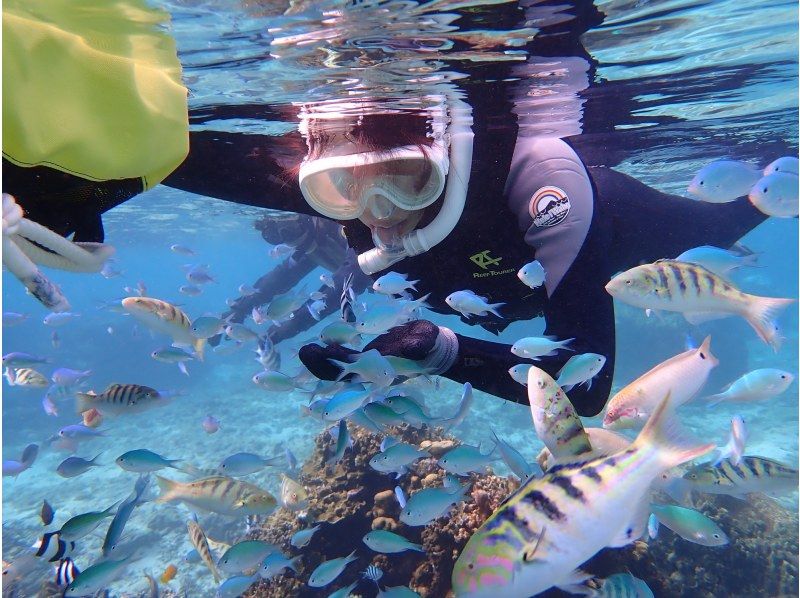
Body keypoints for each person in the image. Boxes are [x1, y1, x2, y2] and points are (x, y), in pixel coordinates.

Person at [4, 0, 777, 417]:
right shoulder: (333, 178)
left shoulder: (540, 182)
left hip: (643, 234)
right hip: (500, 293)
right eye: (342, 190)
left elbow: (586, 387)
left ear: (448, 155)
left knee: (739, 214)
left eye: (407, 179)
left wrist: (441, 350)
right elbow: (167, 149)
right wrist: (67, 175)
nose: (378, 212)